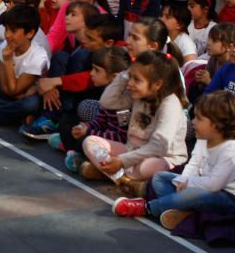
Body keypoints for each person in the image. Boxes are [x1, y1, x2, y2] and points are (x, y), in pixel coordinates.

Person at [111, 91, 235, 230]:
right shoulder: (204, 139)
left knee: (193, 194)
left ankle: (147, 208)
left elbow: (214, 185)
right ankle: (179, 212)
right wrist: (183, 179)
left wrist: (188, 183)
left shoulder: (231, 151)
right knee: (160, 178)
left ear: (218, 125)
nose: (193, 121)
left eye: (199, 118)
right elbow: (194, 163)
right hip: (202, 186)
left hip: (230, 199)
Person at [81, 51, 189, 197]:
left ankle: (112, 173)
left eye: (136, 79)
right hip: (132, 152)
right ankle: (125, 181)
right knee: (90, 142)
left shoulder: (170, 104)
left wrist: (122, 161)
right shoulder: (139, 96)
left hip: (162, 159)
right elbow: (107, 102)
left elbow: (159, 146)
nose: (130, 83)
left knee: (150, 167)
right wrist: (124, 75)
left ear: (157, 84)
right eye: (130, 77)